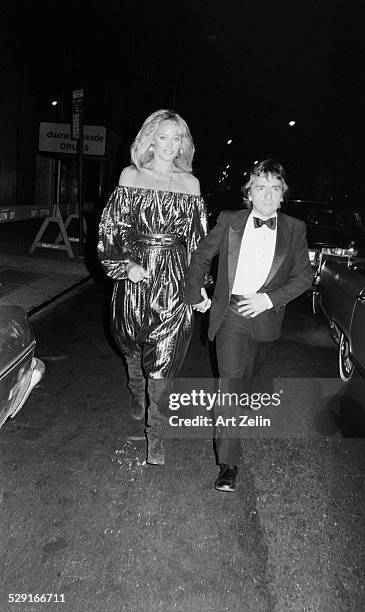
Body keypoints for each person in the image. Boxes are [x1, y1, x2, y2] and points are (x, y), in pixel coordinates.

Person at [185, 159, 314, 492]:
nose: (268, 196)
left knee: (243, 382)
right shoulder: (230, 221)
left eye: (274, 189)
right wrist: (195, 292)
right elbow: (200, 256)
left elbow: (304, 277)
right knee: (229, 384)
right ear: (249, 194)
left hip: (267, 319)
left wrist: (268, 300)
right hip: (230, 313)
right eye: (261, 188)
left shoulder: (295, 228)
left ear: (282, 194)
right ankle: (228, 463)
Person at [98, 109, 208, 466]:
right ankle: (136, 389)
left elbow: (198, 242)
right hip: (137, 271)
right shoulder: (130, 176)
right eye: (163, 137)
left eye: (177, 138)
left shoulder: (190, 185)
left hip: (173, 277)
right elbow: (114, 228)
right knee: (130, 341)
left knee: (164, 356)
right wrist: (125, 264)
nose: (170, 145)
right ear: (149, 140)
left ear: (183, 144)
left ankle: (156, 435)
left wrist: (199, 286)